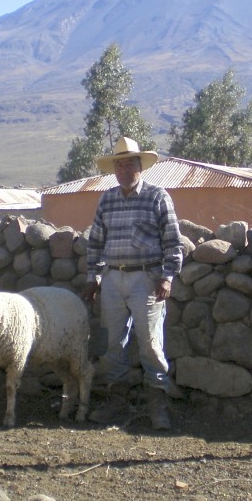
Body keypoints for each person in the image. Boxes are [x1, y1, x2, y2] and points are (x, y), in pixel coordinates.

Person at [82, 136, 184, 430]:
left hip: (147, 278)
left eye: (130, 165)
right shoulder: (107, 198)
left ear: (141, 166)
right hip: (113, 279)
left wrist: (167, 276)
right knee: (113, 344)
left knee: (151, 344)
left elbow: (173, 242)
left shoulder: (157, 197)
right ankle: (116, 403)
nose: (125, 170)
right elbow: (96, 243)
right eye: (120, 165)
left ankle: (157, 406)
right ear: (115, 170)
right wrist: (93, 278)